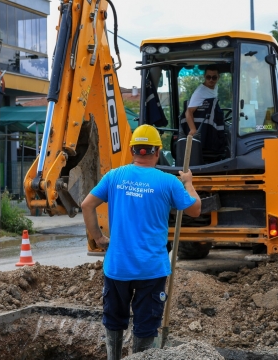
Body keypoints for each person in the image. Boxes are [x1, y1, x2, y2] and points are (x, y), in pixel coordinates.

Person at [81, 125, 201, 359]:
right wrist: (188, 182)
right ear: (157, 151)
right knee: (146, 327)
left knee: (114, 323)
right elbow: (195, 209)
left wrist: (98, 238)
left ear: (133, 150)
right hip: (151, 270)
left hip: (117, 268)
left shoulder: (114, 176)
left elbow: (87, 205)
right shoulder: (168, 182)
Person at [183, 65, 221, 137]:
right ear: (204, 76)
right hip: (203, 128)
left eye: (214, 77)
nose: (211, 80)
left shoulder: (215, 87)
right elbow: (188, 111)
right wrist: (193, 130)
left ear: (218, 77)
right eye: (208, 77)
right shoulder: (200, 92)